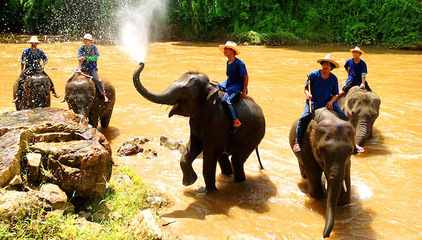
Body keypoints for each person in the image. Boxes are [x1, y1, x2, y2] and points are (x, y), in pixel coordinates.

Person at [293, 54, 349, 152]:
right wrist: (307, 95)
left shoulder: (333, 78)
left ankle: (353, 142)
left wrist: (332, 101)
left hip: (327, 102)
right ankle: (297, 141)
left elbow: (335, 94)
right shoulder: (313, 75)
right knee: (303, 119)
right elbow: (306, 88)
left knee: (344, 118)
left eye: (328, 64)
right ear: (322, 65)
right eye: (324, 64)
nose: (325, 66)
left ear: (331, 67)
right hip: (314, 101)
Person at [13, 35, 59, 103]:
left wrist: (43, 65)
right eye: (32, 43)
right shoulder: (26, 51)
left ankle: (53, 91)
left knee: (48, 78)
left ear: (37, 44)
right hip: (28, 69)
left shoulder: (40, 52)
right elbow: (22, 62)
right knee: (21, 80)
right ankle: (18, 95)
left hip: (37, 69)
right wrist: (22, 71)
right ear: (30, 44)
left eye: (35, 43)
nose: (33, 45)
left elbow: (45, 60)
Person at [217, 41, 249, 133]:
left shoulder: (240, 64)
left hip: (236, 86)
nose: (224, 51)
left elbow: (246, 77)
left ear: (232, 51)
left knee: (225, 100)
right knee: (214, 87)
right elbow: (229, 77)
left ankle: (236, 121)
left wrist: (243, 91)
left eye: (226, 49)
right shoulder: (228, 62)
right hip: (229, 82)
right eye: (224, 49)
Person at [66, 33, 108, 102]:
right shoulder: (81, 48)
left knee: (96, 79)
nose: (87, 42)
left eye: (88, 41)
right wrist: (79, 66)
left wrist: (86, 58)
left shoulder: (94, 48)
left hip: (92, 67)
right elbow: (79, 57)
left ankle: (103, 94)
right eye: (85, 40)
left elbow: (95, 58)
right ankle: (66, 96)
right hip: (83, 66)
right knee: (70, 78)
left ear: (91, 41)